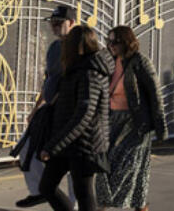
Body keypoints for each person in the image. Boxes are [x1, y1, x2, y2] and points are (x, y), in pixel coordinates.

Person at [38, 25, 112, 211]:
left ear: (76, 47)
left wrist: (55, 145)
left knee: (84, 194)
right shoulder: (76, 69)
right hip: (68, 142)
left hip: (85, 145)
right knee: (47, 186)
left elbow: (83, 115)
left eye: (67, 44)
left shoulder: (90, 73)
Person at [97, 26, 167, 211]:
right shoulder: (111, 62)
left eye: (115, 42)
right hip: (112, 121)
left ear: (127, 42)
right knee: (104, 169)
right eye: (108, 41)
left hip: (135, 124)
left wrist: (160, 128)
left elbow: (155, 95)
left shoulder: (140, 62)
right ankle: (129, 205)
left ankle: (136, 206)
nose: (110, 45)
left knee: (128, 169)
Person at [14, 4, 76, 209]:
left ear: (72, 23)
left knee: (72, 160)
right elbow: (48, 80)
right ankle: (38, 191)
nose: (54, 27)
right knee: (27, 147)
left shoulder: (81, 47)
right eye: (52, 23)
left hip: (69, 112)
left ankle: (76, 205)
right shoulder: (54, 48)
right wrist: (35, 109)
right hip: (49, 109)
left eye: (59, 23)